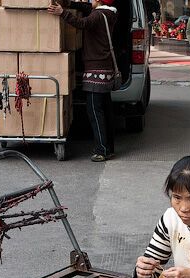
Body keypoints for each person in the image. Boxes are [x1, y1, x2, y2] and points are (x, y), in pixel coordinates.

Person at [48, 0, 117, 162]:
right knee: (105, 111)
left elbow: (81, 23)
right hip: (105, 69)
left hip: (96, 71)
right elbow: (87, 8)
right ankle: (109, 147)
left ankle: (102, 150)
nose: (89, 1)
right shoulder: (109, 13)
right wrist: (69, 3)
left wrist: (62, 12)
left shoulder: (98, 15)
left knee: (95, 112)